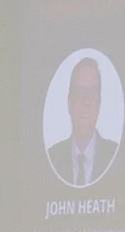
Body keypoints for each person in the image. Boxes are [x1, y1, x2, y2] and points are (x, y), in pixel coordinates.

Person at [45, 56, 117, 186]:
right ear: (69, 102)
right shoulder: (52, 158)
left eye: (92, 92)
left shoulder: (115, 156)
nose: (86, 101)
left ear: (99, 102)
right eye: (80, 92)